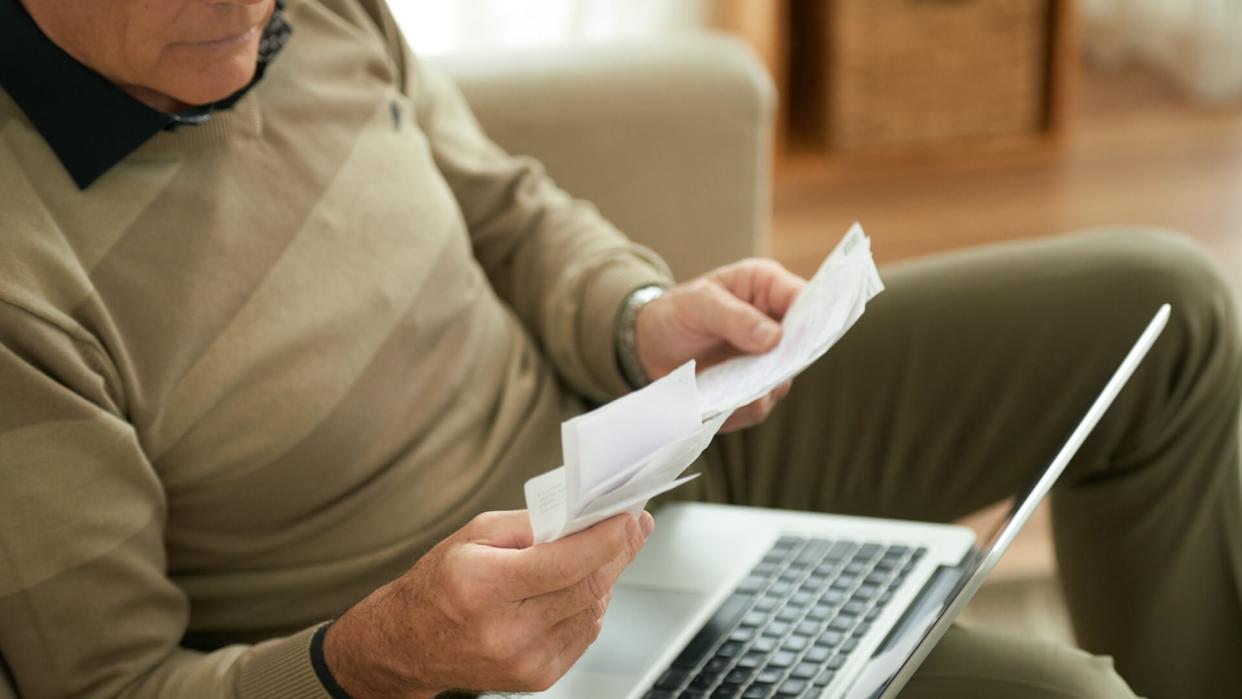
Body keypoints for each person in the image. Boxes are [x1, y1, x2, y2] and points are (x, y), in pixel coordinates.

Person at [0, 0, 1238, 697]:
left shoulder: (303, 8)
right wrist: (373, 654)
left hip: (628, 451)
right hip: (464, 656)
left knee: (1167, 310)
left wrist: (636, 316)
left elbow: (503, 205)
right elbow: (108, 693)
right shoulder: (18, 270)